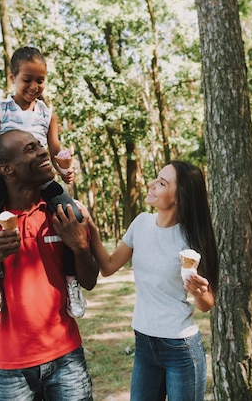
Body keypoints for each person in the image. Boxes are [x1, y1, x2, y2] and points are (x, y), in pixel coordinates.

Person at [0, 129, 98, 400]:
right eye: (30, 149)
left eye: (40, 145)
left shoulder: (63, 214)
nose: (42, 151)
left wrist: (80, 246)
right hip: (10, 370)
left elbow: (89, 281)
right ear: (7, 169)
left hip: (67, 360)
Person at [0, 46, 86, 333]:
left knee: (73, 216)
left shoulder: (47, 111)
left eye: (40, 80)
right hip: (4, 177)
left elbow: (55, 151)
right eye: (27, 79)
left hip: (40, 178)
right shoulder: (1, 107)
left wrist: (65, 169)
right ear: (13, 77)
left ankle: (71, 280)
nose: (34, 86)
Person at [85, 161, 219, 401]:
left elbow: (207, 304)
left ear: (180, 197)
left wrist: (199, 291)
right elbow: (108, 267)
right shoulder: (141, 224)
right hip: (144, 343)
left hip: (181, 347)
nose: (151, 184)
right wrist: (91, 229)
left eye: (162, 183)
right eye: (156, 179)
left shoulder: (191, 238)